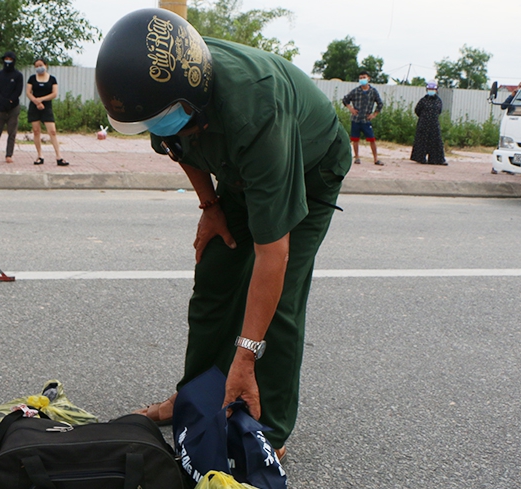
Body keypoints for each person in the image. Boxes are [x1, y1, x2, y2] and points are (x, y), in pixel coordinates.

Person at [96, 9, 351, 460]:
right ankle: (194, 398)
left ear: (197, 96)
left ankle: (264, 425)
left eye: (164, 118)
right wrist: (210, 206)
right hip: (235, 169)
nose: (156, 129)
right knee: (215, 273)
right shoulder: (161, 90)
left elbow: (274, 254)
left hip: (308, 166)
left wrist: (245, 356)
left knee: (280, 300)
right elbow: (178, 146)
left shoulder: (257, 110)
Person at [27, 59, 69, 166]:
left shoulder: (52, 79)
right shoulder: (32, 78)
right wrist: (36, 101)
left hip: (47, 107)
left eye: (40, 65)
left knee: (52, 131)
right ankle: (39, 156)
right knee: (36, 131)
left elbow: (54, 94)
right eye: (36, 66)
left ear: (46, 65)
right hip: (34, 106)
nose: (39, 67)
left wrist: (41, 99)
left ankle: (59, 156)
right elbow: (28, 92)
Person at [342, 71, 384, 166]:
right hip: (356, 119)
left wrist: (374, 114)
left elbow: (380, 103)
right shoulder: (356, 91)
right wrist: (351, 109)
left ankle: (375, 158)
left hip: (366, 119)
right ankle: (357, 157)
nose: (362, 79)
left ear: (368, 78)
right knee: (355, 139)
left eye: (364, 77)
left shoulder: (373, 91)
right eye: (360, 78)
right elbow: (345, 100)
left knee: (372, 139)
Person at [410, 82, 447, 165]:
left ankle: (436, 160)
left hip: (434, 125)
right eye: (430, 89)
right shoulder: (423, 100)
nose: (431, 91)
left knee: (436, 142)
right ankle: (420, 158)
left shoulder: (438, 101)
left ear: (436, 90)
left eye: (433, 89)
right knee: (421, 141)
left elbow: (439, 111)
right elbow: (417, 110)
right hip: (423, 124)